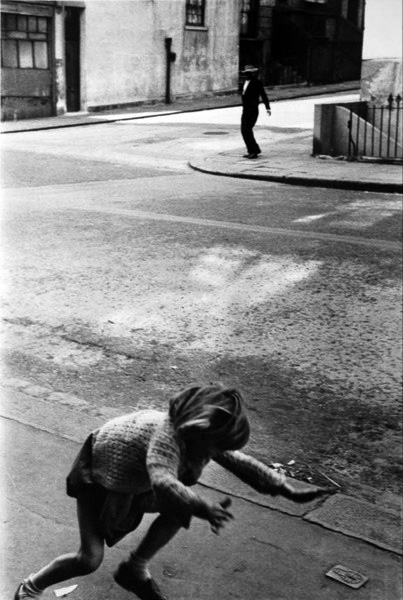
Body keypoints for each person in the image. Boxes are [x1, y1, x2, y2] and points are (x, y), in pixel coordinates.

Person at [14, 383, 334, 600]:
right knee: (89, 559)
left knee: (179, 507)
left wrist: (287, 489)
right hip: (99, 479)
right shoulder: (168, 439)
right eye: (214, 448)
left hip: (136, 483)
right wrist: (203, 507)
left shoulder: (202, 437)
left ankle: (135, 569)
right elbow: (164, 481)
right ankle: (29, 588)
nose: (216, 454)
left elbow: (239, 461)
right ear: (200, 430)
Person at [240, 64, 271, 159]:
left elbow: (263, 95)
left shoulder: (257, 83)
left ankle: (254, 151)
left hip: (253, 110)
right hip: (245, 110)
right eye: (246, 73)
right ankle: (252, 150)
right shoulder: (244, 82)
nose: (247, 75)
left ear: (253, 73)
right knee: (244, 130)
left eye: (249, 73)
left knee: (247, 129)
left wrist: (267, 107)